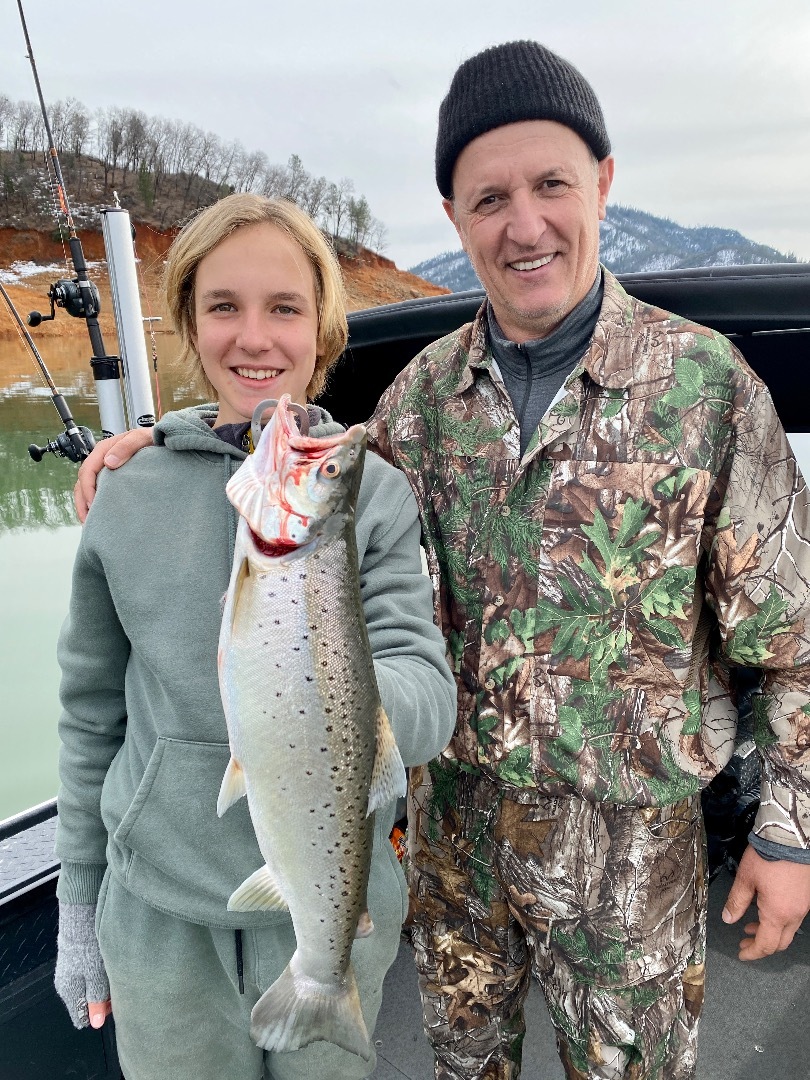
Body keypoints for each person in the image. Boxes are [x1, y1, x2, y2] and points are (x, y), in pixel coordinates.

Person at [74, 42, 810, 1080]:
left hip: (635, 870)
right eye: (489, 197)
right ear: (459, 220)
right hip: (453, 863)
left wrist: (787, 839)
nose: (525, 224)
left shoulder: (710, 387)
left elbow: (794, 644)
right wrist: (151, 444)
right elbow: (282, 480)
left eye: (552, 184)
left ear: (602, 183)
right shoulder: (413, 405)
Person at [54, 192, 456, 1080]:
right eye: (223, 307)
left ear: (323, 328)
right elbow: (89, 721)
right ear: (190, 327)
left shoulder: (370, 494)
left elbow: (428, 701)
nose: (255, 338)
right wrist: (77, 906)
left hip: (329, 912)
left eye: (285, 308)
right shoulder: (127, 491)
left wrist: (328, 697)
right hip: (160, 921)